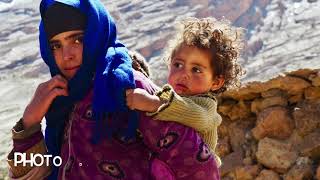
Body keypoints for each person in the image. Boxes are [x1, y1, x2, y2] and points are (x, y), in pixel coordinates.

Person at [6, 0, 161, 179]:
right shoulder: (61, 100)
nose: (67, 55)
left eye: (77, 39)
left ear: (96, 34)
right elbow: (33, 175)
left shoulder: (129, 87)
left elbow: (186, 156)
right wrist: (29, 123)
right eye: (56, 46)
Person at [126, 17, 244, 179]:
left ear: (216, 82)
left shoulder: (206, 105)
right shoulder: (174, 98)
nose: (183, 75)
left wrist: (154, 103)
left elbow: (195, 115)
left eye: (196, 70)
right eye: (178, 65)